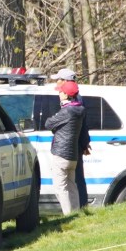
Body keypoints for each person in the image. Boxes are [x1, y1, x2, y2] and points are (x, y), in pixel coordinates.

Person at [50, 68, 91, 208]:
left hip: (70, 145)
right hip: (75, 144)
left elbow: (81, 124)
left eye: (58, 79)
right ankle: (78, 209)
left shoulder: (72, 98)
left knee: (72, 182)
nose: (56, 82)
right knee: (73, 182)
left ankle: (78, 208)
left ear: (66, 81)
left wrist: (84, 143)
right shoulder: (77, 98)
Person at [44, 80, 86, 215]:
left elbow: (48, 123)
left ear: (67, 95)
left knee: (60, 188)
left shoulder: (67, 111)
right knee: (72, 186)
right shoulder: (80, 109)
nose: (59, 94)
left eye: (61, 92)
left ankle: (68, 215)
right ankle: (76, 213)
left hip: (61, 153)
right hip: (73, 155)